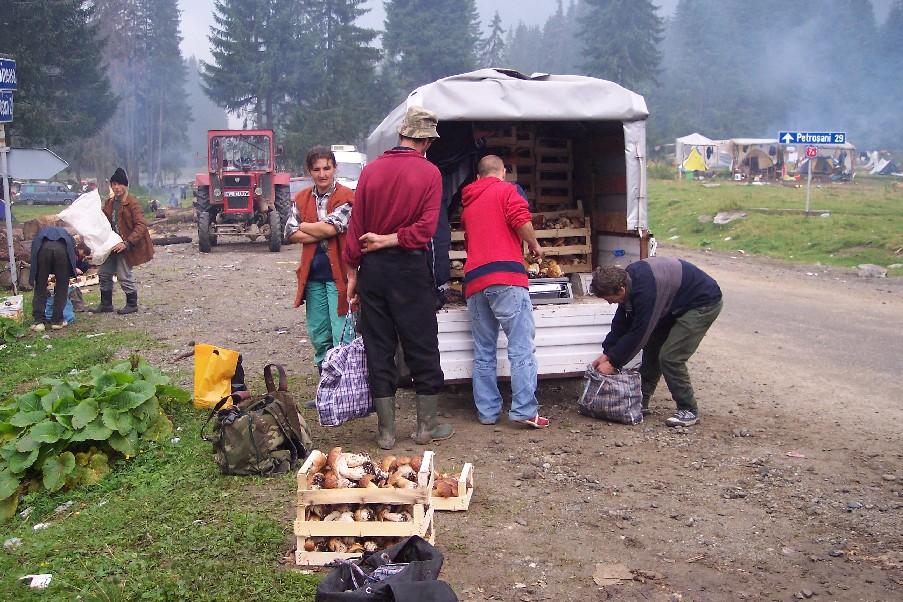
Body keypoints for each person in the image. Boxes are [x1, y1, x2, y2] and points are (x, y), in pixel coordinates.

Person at [344, 106, 453, 450]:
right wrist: (390, 239)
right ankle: (426, 427)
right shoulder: (430, 173)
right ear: (425, 141)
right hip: (408, 268)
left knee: (379, 346)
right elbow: (424, 231)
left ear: (402, 135)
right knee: (421, 343)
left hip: (371, 272)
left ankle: (386, 432)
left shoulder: (370, 171)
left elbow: (355, 228)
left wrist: (351, 275)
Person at [460, 155, 550, 428]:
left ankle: (487, 412)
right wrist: (534, 244)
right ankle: (524, 410)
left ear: (478, 177)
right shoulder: (507, 190)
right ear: (502, 172)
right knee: (521, 347)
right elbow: (520, 219)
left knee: (484, 350)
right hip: (506, 277)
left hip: (475, 281)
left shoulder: (468, 203)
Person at [590, 258, 723, 427]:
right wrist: (607, 353)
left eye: (610, 298)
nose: (609, 302)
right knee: (652, 348)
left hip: (701, 303)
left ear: (621, 289)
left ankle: (688, 409)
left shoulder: (647, 292)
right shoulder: (628, 280)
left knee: (670, 357)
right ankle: (640, 403)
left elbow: (640, 333)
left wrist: (614, 363)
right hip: (673, 304)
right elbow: (622, 320)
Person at [285, 146, 355, 388]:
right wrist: (322, 229)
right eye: (317, 169)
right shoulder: (302, 197)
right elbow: (289, 232)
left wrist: (305, 225)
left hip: (340, 277)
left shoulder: (347, 196)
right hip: (313, 276)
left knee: (342, 334)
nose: (322, 174)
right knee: (319, 334)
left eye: (327, 168)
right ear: (309, 171)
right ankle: (326, 388)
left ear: (334, 168)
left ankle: (346, 389)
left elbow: (333, 228)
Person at [92, 167, 154, 315]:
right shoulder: (109, 202)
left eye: (119, 184)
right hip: (111, 245)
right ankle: (106, 304)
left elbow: (141, 225)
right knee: (104, 273)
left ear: (125, 186)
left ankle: (132, 304)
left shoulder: (132, 203)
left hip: (127, 246)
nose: (116, 187)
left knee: (124, 275)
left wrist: (127, 243)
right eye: (114, 184)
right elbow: (103, 222)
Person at [28, 226, 81, 331]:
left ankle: (39, 322)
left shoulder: (41, 233)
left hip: (42, 251)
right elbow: (72, 250)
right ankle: (57, 321)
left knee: (40, 286)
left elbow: (34, 249)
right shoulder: (66, 234)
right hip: (62, 252)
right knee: (62, 287)